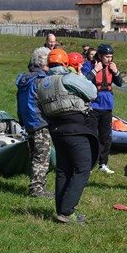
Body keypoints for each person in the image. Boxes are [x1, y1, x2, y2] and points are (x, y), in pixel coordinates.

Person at [35, 48, 98, 224]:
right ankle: (67, 211)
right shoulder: (68, 78)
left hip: (56, 130)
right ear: (65, 63)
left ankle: (61, 209)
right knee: (82, 168)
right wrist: (80, 76)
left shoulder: (41, 84)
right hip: (75, 128)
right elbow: (92, 93)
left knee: (63, 169)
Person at [16, 46, 52, 198]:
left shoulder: (25, 78)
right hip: (40, 121)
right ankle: (37, 189)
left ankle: (36, 186)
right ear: (43, 64)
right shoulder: (40, 80)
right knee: (42, 156)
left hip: (28, 121)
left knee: (35, 155)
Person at [86, 42, 122, 174]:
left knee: (106, 137)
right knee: (91, 136)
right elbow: (84, 80)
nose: (109, 59)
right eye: (107, 56)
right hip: (93, 107)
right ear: (100, 56)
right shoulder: (90, 67)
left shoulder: (111, 68)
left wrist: (116, 71)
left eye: (111, 56)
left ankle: (103, 164)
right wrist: (95, 70)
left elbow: (120, 83)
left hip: (107, 107)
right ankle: (88, 165)